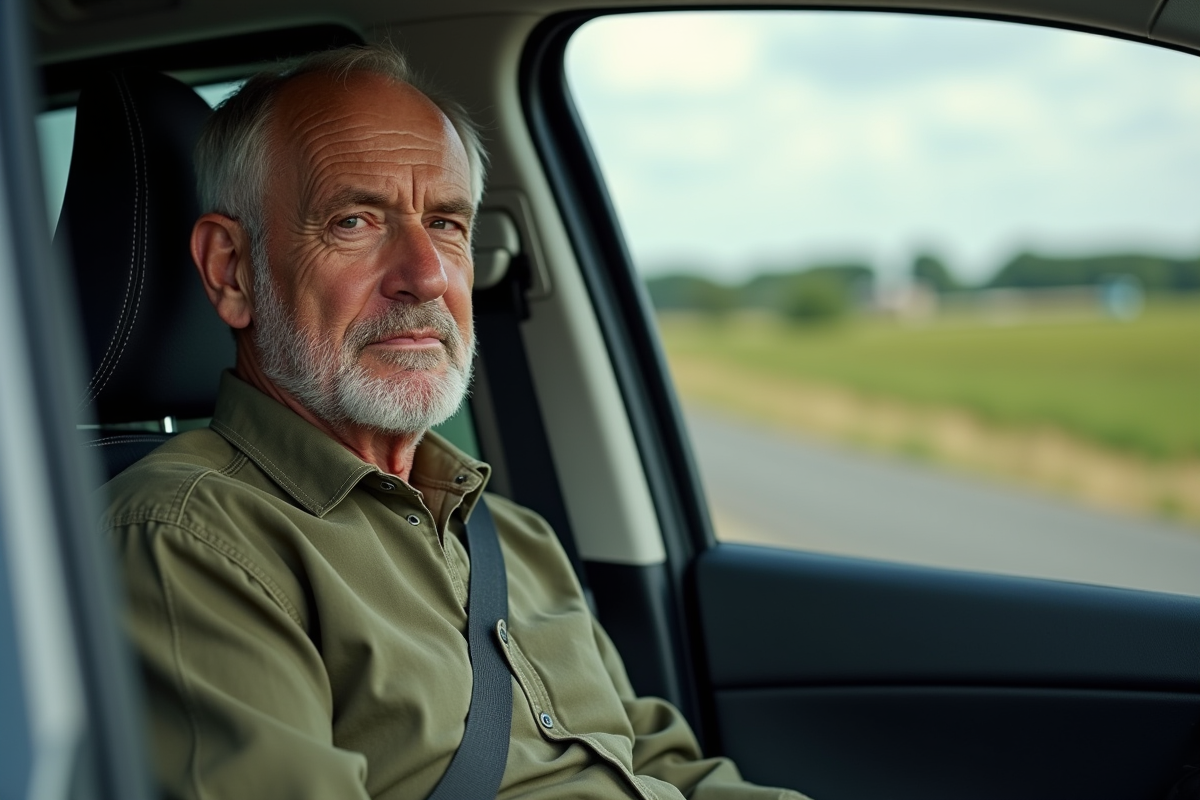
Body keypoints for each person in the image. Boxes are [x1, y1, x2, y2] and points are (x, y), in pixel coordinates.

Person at [103, 44, 811, 800]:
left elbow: (665, 772)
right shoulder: (188, 538)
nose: (427, 274)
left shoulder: (514, 538)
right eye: (353, 220)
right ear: (232, 270)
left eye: (446, 224)